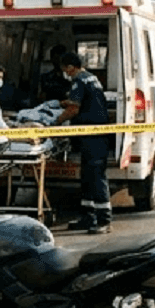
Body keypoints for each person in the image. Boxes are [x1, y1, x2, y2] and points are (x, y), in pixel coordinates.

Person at [55, 52, 113, 234]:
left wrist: (55, 122)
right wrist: (65, 103)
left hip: (93, 135)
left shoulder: (79, 80)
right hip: (94, 134)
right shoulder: (91, 78)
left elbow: (74, 108)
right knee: (87, 176)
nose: (65, 73)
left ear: (70, 67)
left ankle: (104, 220)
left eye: (65, 69)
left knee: (95, 175)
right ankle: (88, 216)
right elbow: (82, 101)